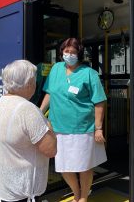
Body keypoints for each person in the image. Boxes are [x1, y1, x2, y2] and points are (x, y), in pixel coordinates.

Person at [40, 38, 107, 202]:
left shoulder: (89, 73)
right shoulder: (56, 69)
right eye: (66, 51)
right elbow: (49, 93)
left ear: (79, 54)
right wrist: (40, 112)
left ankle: (83, 196)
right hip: (58, 128)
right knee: (63, 166)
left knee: (84, 165)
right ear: (61, 52)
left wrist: (98, 128)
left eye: (73, 51)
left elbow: (100, 101)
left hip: (82, 129)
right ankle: (76, 192)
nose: (69, 54)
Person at [0, 60, 56, 202]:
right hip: (23, 195)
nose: (35, 84)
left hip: (3, 191)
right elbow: (50, 149)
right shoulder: (28, 109)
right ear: (29, 83)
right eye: (34, 80)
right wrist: (49, 126)